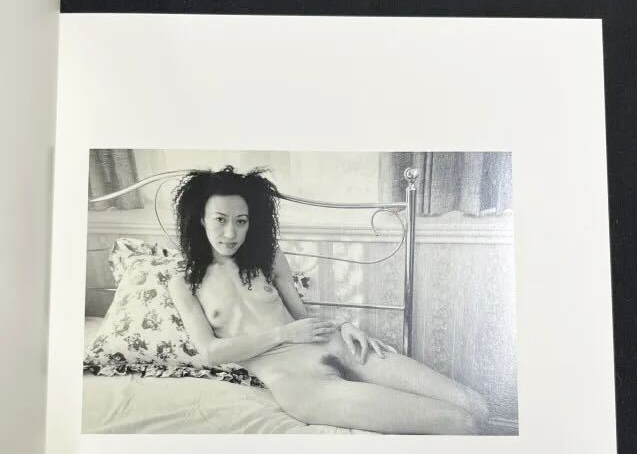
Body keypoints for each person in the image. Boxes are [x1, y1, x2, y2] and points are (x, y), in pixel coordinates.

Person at [168, 166, 488, 434]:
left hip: (333, 344)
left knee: (477, 407)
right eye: (220, 219)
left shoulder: (268, 258)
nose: (230, 233)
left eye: (241, 221)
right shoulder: (185, 283)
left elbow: (302, 316)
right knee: (461, 423)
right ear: (201, 219)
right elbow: (210, 352)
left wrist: (344, 326)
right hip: (301, 384)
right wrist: (284, 334)